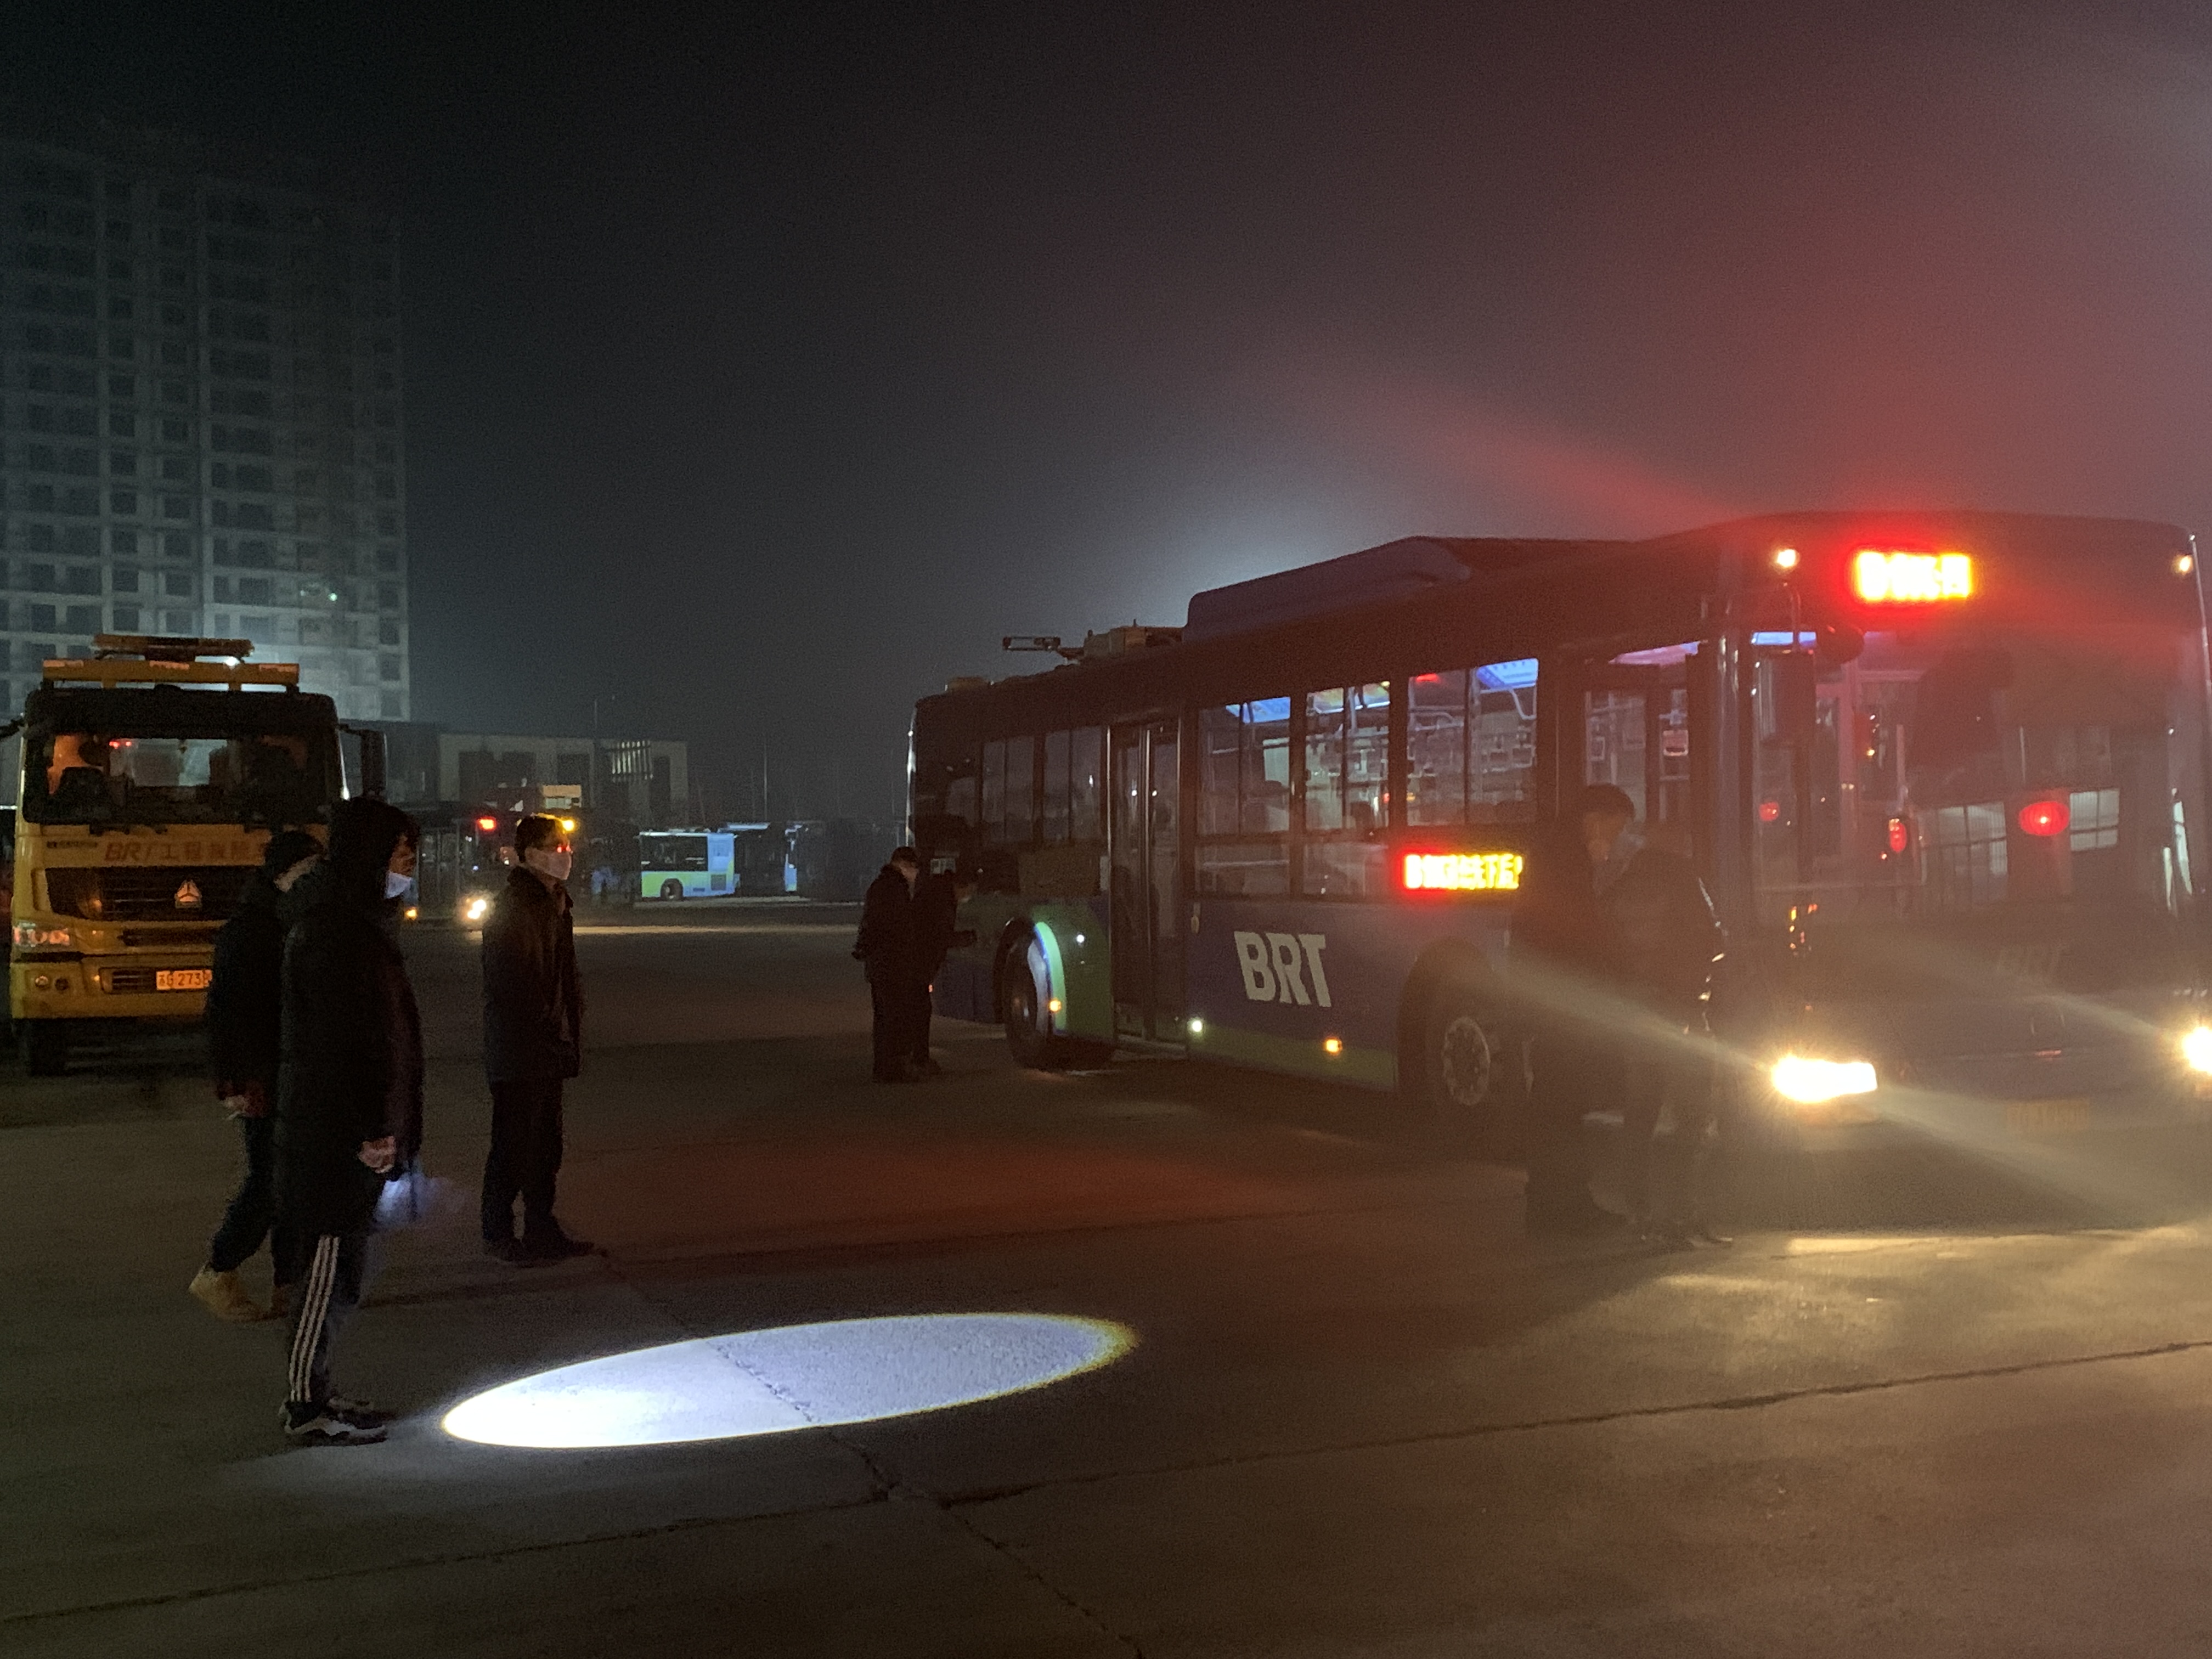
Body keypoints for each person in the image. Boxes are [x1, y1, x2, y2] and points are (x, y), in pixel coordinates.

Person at [274, 799, 422, 1446]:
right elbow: (338, 1047)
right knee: (326, 1276)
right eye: (400, 855)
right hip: (335, 1138)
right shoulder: (335, 933)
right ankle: (305, 1404)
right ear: (368, 855)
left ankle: (319, 1390)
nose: (407, 867)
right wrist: (369, 1129)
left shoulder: (359, 924)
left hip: (351, 1131)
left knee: (345, 1271)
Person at [189, 828, 323, 1323]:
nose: (313, 880)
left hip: (292, 1069)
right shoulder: (249, 930)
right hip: (262, 1075)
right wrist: (235, 1081)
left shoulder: (293, 920)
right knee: (270, 1180)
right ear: (283, 872)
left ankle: (290, 1283)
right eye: (307, 870)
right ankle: (219, 1268)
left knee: (293, 1182)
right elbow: (226, 1011)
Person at [1512, 785, 1637, 1237]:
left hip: (1549, 999)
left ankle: (1554, 1203)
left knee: (1557, 1105)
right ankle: (1563, 1206)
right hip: (1561, 1002)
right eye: (1614, 829)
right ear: (1595, 820)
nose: (1615, 840)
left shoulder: (1554, 854)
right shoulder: (1566, 863)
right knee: (1561, 1106)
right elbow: (1578, 934)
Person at [1604, 815, 1726, 1246]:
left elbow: (1608, 947)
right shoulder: (1683, 880)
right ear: (1678, 844)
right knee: (1692, 1117)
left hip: (1637, 1012)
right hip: (1681, 1011)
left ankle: (1640, 1214)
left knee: (1641, 1115)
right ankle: (1683, 1216)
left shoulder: (1623, 884)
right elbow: (1712, 939)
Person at [481, 813, 592, 1263]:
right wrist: (545, 1028)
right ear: (530, 854)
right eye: (556, 846)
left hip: (548, 1046)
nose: (566, 854)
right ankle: (498, 1233)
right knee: (514, 1144)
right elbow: (513, 985)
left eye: (567, 846)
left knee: (546, 1145)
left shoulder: (555, 903)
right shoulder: (515, 907)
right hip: (520, 1048)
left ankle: (542, 1228)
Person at [854, 846, 926, 1082]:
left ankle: (884, 1068)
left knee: (884, 1018)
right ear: (903, 865)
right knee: (895, 1018)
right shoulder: (895, 890)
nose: (915, 874)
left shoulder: (881, 886)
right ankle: (893, 1069)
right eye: (914, 868)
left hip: (880, 965)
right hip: (892, 965)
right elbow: (896, 929)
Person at [907, 864, 977, 1076]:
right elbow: (938, 936)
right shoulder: (941, 900)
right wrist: (967, 938)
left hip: (916, 962)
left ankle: (915, 1058)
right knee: (920, 1011)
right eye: (969, 891)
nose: (968, 897)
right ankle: (918, 1060)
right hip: (918, 963)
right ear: (961, 886)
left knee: (916, 1011)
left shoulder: (936, 892)